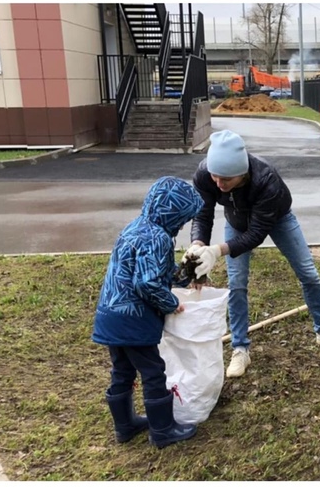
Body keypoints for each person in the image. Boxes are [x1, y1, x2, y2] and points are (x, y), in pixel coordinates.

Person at [187, 129, 320, 379]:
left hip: (277, 219)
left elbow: (256, 235)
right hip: (236, 220)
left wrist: (218, 250)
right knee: (237, 284)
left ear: (242, 174)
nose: (219, 184)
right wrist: (198, 244)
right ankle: (240, 348)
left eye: (226, 180)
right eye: (215, 177)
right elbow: (202, 214)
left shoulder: (266, 179)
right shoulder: (204, 175)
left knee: (308, 273)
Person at [91, 176, 205, 448]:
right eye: (183, 217)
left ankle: (125, 426)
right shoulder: (159, 237)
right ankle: (162, 430)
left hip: (110, 315)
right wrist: (170, 302)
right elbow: (147, 283)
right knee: (153, 371)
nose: (183, 224)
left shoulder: (136, 227)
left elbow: (154, 272)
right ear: (174, 213)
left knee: (122, 370)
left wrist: (185, 272)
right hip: (133, 319)